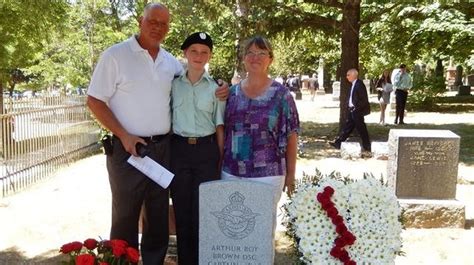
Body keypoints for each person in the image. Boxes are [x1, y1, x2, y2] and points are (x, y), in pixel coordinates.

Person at [86, 3, 228, 264]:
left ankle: (153, 261)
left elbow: (195, 79)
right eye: (152, 21)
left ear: (168, 28)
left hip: (163, 149)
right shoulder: (116, 56)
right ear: (141, 21)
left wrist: (221, 85)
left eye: (163, 24)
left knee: (157, 215)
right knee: (126, 215)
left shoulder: (170, 63)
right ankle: (122, 261)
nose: (157, 27)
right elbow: (94, 101)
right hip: (127, 148)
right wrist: (124, 135)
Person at [221, 36, 300, 262]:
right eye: (250, 53)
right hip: (231, 173)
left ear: (270, 59)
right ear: (244, 59)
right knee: (232, 234)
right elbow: (222, 131)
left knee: (261, 234)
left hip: (268, 174)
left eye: (261, 53)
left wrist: (291, 175)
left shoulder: (282, 95)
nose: (255, 58)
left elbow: (291, 135)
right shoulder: (231, 94)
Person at [169, 32, 225, 265]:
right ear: (185, 53)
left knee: (204, 212)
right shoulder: (172, 85)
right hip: (179, 151)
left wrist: (220, 158)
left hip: (206, 152)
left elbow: (219, 125)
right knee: (182, 210)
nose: (199, 56)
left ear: (210, 56)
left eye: (204, 52)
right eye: (194, 51)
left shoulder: (216, 89)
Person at [330, 69, 371, 157]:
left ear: (353, 75)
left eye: (348, 75)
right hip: (352, 110)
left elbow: (364, 99)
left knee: (361, 128)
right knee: (348, 127)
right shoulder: (353, 84)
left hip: (357, 110)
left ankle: (367, 146)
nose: (347, 77)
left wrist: (356, 108)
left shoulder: (359, 85)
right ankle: (338, 143)